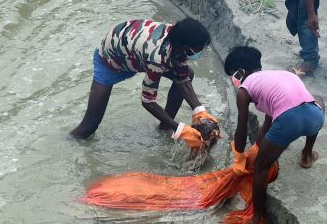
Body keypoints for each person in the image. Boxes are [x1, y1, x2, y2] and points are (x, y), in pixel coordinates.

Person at [70, 18, 218, 149]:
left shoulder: (178, 38)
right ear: (184, 46)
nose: (199, 53)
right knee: (89, 126)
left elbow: (183, 78)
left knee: (188, 74)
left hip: (137, 55)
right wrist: (181, 129)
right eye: (197, 50)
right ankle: (68, 145)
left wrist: (199, 111)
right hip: (110, 60)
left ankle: (164, 128)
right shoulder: (158, 57)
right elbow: (148, 101)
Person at [224, 46, 325, 224]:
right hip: (315, 118)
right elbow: (271, 117)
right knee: (318, 101)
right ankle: (307, 155)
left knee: (261, 167)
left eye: (234, 75)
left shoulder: (244, 90)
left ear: (241, 72)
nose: (234, 80)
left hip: (289, 122)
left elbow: (241, 128)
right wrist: (257, 146)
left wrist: (239, 156)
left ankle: (257, 220)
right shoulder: (279, 76)